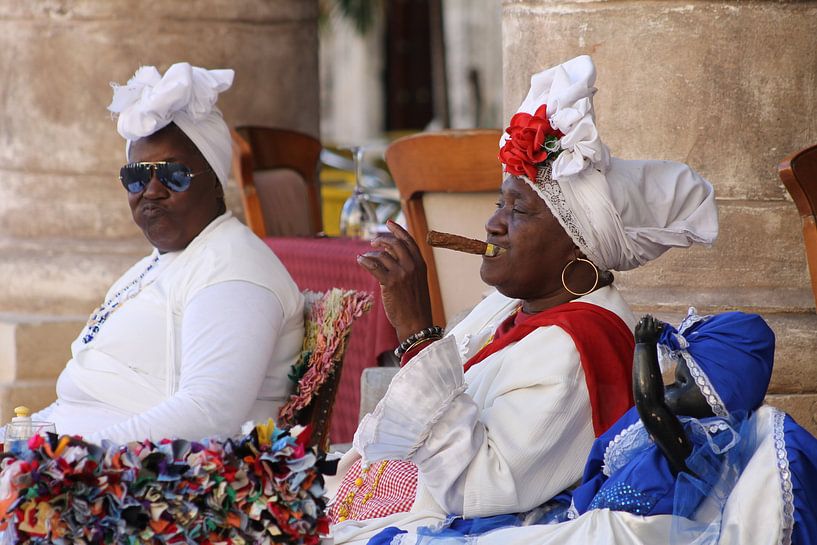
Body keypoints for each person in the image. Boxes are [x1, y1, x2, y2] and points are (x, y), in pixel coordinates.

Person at [327, 55, 719, 544]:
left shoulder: (578, 345)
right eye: (500, 203)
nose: (493, 224)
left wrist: (418, 336)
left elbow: (478, 488)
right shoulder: (512, 307)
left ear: (578, 248)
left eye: (520, 210)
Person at [7, 63, 304, 445]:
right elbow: (76, 401)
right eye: (136, 177)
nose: (151, 190)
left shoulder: (233, 268)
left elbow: (209, 412)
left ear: (216, 183)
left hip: (145, 474)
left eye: (172, 175)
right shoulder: (153, 266)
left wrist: (73, 456)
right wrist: (19, 442)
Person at [386, 310, 817, 545]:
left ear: (714, 395)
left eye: (683, 382)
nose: (670, 389)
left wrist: (644, 347)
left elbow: (650, 405)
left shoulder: (705, 442)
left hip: (622, 528)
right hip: (592, 514)